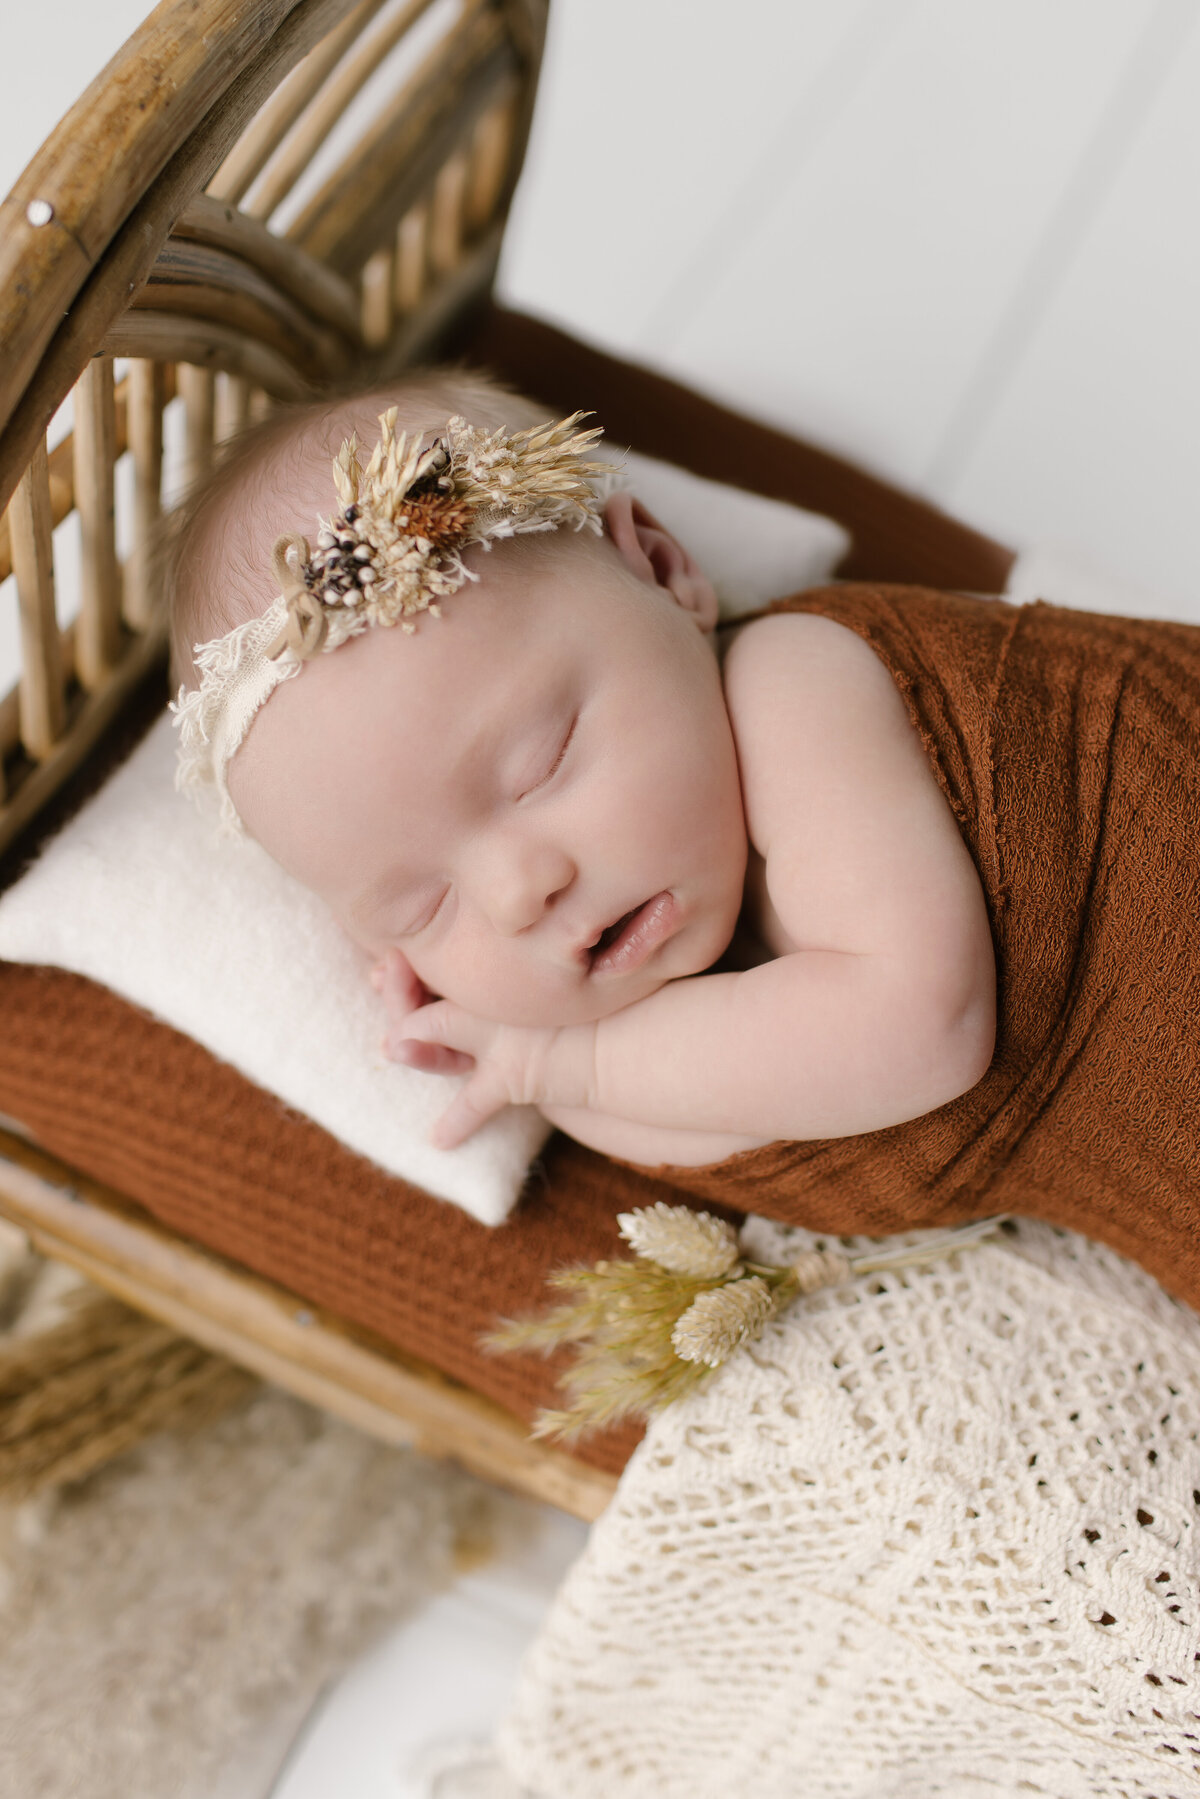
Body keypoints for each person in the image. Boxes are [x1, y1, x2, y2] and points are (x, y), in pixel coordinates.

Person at [167, 368, 996, 1171]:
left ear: (664, 573)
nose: (517, 893)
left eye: (541, 766)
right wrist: (519, 1054)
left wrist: (564, 1063)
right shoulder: (650, 1039)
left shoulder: (792, 687)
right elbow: (786, 1139)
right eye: (423, 906)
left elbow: (925, 1026)